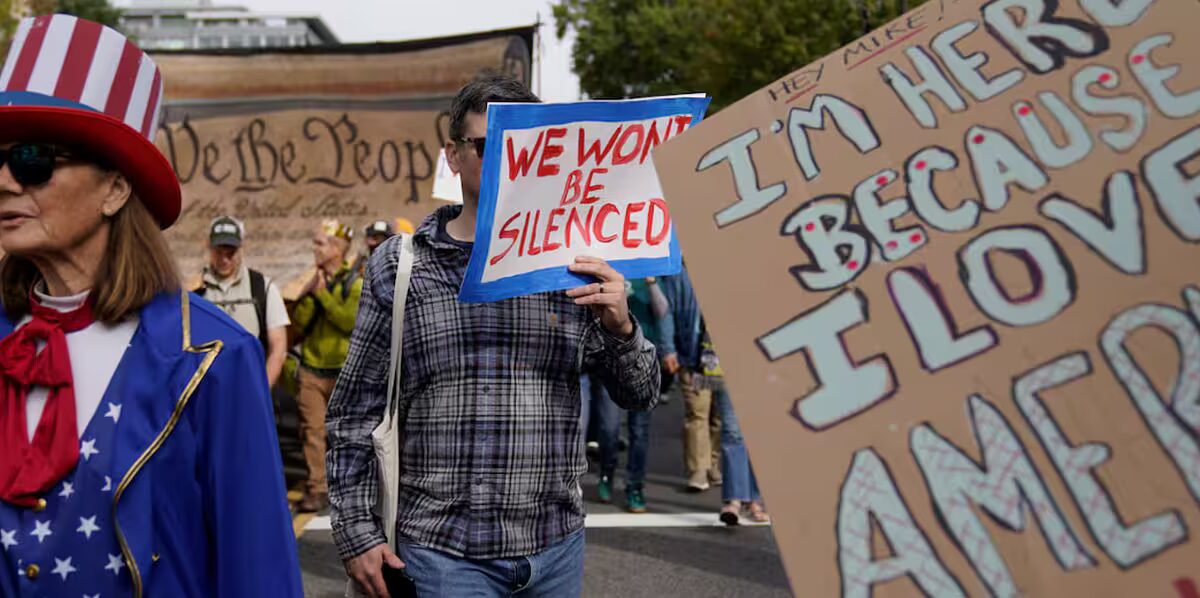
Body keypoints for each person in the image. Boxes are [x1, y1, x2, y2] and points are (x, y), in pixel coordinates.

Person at [0, 15, 301, 597]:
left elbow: (258, 569)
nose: (6, 182)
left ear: (115, 189)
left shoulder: (214, 357)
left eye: (32, 160)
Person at [327, 73, 660, 598]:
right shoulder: (402, 266)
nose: (507, 159)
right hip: (443, 556)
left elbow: (640, 394)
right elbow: (354, 412)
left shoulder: (575, 266)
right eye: (487, 146)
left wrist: (621, 327)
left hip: (555, 550)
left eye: (522, 146)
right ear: (453, 155)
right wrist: (356, 533)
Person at [290, 219, 362, 512]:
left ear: (336, 249)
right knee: (313, 431)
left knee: (347, 432)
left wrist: (322, 295)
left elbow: (348, 321)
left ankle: (351, 487)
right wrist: (309, 294)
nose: (315, 249)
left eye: (320, 243)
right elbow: (300, 323)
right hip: (312, 368)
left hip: (344, 371)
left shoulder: (355, 282)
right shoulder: (312, 278)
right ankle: (317, 488)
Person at [587, 277, 666, 513]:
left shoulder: (648, 276)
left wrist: (652, 284)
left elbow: (663, 312)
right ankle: (606, 473)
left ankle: (635, 486)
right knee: (609, 428)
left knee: (639, 432)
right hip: (609, 359)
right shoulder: (606, 272)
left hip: (643, 361)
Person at [194, 215, 290, 386]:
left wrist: (262, 392)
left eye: (230, 253)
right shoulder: (195, 290)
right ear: (209, 248)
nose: (224, 260)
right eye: (219, 252)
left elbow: (278, 347)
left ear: (241, 249)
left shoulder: (263, 288)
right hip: (206, 388)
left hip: (250, 384)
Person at [657, 268, 721, 491]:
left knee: (719, 416)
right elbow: (666, 310)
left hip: (721, 358)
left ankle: (712, 460)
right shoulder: (679, 274)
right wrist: (668, 348)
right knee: (698, 412)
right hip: (694, 355)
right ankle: (698, 469)